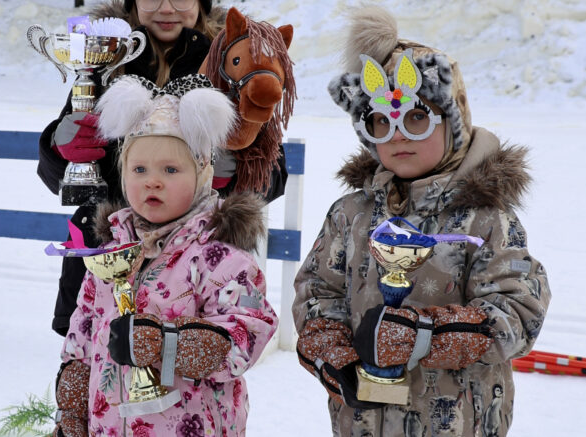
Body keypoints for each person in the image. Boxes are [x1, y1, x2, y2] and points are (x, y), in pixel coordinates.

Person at [292, 6, 550, 437]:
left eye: (416, 118)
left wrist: (422, 336)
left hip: (458, 423)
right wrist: (334, 357)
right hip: (363, 422)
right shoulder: (350, 215)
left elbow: (518, 311)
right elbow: (318, 294)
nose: (398, 134)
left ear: (453, 121)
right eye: (381, 122)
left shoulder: (484, 217)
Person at [37, 0, 288, 337]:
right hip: (103, 269)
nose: (166, 8)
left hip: (197, 276)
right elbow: (57, 180)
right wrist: (59, 149)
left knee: (188, 377)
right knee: (93, 369)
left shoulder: (234, 61)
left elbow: (273, 176)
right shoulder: (103, 58)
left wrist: (234, 177)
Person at [53, 74, 279, 437]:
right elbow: (82, 333)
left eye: (170, 170)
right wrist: (72, 408)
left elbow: (246, 334)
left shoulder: (220, 257)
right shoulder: (112, 252)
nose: (151, 181)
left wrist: (164, 343)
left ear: (203, 173)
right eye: (139, 169)